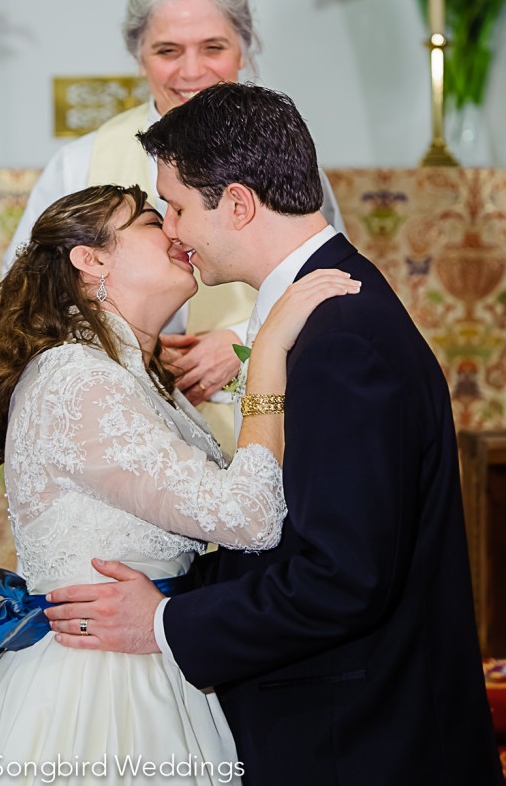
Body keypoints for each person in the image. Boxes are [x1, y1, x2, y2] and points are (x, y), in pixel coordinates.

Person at [45, 84, 503, 786]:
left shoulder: (341, 337)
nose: (172, 229)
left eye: (176, 205)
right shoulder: (325, 308)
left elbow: (343, 578)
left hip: (362, 744)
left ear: (237, 202)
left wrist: (166, 623)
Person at [0, 183, 360, 786]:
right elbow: (250, 517)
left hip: (146, 653)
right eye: (147, 220)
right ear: (91, 260)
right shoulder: (76, 378)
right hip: (96, 689)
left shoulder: (135, 375)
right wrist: (266, 352)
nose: (174, 231)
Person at [3, 0, 346, 453]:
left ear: (244, 49)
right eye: (167, 51)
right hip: (122, 438)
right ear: (138, 57)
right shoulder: (78, 164)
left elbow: (329, 285)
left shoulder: (288, 158)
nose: (192, 71)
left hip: (271, 430)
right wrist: (126, 347)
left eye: (213, 47)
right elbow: (25, 306)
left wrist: (243, 343)